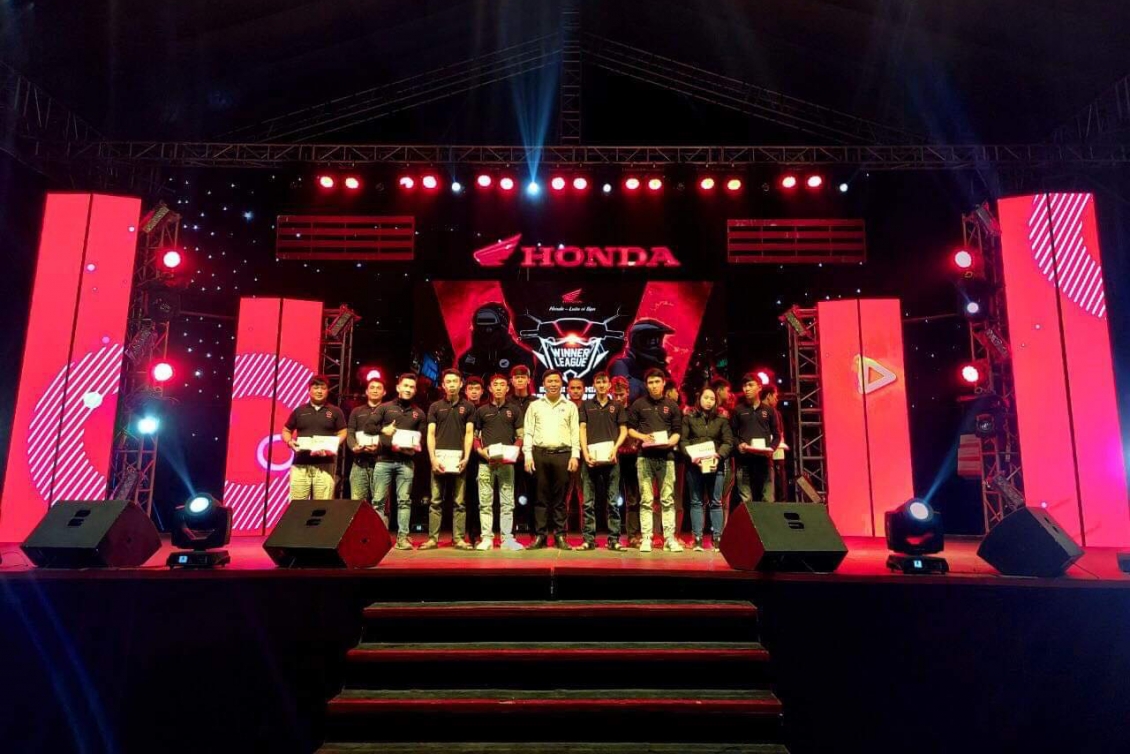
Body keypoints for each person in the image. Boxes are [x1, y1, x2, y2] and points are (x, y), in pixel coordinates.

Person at [367, 373, 427, 550]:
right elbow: (368, 427)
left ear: (415, 390)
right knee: (378, 501)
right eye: (405, 386)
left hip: (406, 462)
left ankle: (402, 538)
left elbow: (422, 439)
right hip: (383, 460)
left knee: (404, 501)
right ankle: (378, 539)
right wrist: (383, 430)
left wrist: (414, 447)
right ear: (398, 387)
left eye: (411, 387)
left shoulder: (419, 413)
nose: (408, 389)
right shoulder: (385, 408)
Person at [627, 368, 683, 552]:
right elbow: (630, 429)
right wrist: (643, 437)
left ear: (663, 383)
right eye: (650, 382)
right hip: (645, 457)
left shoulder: (672, 405)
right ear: (646, 385)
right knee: (646, 499)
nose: (654, 386)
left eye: (657, 382)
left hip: (667, 458)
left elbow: (677, 432)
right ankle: (646, 538)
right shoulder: (638, 404)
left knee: (667, 499)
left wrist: (670, 442)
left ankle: (669, 539)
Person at [523, 369, 580, 550]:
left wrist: (575, 455)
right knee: (540, 498)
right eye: (550, 381)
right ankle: (540, 536)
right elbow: (528, 432)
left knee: (560, 499)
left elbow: (575, 432)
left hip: (563, 454)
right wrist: (527, 455)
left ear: (561, 384)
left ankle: (560, 536)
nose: (553, 384)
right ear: (544, 384)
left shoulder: (570, 406)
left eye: (556, 381)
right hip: (539, 454)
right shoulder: (535, 406)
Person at [422, 368, 476, 550]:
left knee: (459, 502)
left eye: (455, 381)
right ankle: (432, 539)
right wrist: (432, 458)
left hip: (459, 460)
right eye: (448, 382)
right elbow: (430, 434)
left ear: (461, 384)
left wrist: (466, 457)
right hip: (439, 459)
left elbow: (469, 433)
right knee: (435, 501)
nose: (452, 385)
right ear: (443, 385)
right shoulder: (435, 407)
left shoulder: (469, 407)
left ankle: (458, 539)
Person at [473, 374, 525, 550]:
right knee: (485, 503)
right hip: (485, 463)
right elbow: (474, 437)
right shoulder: (481, 410)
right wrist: (481, 451)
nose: (499, 388)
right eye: (495, 385)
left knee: (507, 503)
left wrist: (514, 450)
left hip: (507, 464)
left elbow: (520, 436)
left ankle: (507, 538)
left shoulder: (514, 410)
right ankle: (486, 538)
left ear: (507, 388)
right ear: (490, 388)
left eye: (502, 385)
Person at [579, 371, 628, 550]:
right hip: (590, 459)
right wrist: (585, 453)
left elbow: (624, 430)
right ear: (594, 385)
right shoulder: (586, 405)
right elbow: (582, 429)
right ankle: (588, 540)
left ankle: (614, 540)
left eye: (604, 382)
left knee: (613, 501)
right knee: (588, 502)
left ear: (609, 385)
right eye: (598, 382)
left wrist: (615, 448)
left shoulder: (617, 405)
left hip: (611, 458)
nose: (601, 385)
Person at [680, 387, 733, 550]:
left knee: (716, 502)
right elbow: (683, 441)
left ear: (716, 401)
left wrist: (719, 455)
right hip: (695, 466)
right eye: (705, 398)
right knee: (696, 502)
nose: (708, 401)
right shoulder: (689, 417)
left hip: (715, 465)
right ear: (699, 398)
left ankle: (717, 539)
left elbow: (728, 442)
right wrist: (693, 456)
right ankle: (697, 539)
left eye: (712, 398)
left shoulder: (722, 419)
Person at [282, 376, 347, 501]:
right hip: (300, 463)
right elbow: (286, 430)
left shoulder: (335, 411)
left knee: (322, 505)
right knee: (297, 505)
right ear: (309, 390)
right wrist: (289, 442)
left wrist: (332, 445)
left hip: (325, 464)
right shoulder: (299, 411)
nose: (319, 391)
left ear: (327, 391)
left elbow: (343, 432)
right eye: (316, 388)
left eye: (323, 388)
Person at [731, 373, 781, 509]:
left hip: (765, 461)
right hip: (744, 461)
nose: (746, 389)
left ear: (759, 387)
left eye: (750, 385)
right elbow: (732, 434)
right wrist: (738, 445)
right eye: (744, 386)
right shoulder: (737, 410)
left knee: (768, 499)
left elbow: (777, 435)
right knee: (746, 500)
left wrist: (772, 448)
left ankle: (767, 523)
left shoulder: (770, 411)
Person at [457, 302, 534, 381]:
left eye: (490, 322)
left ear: (502, 326)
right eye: (482, 322)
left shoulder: (522, 357)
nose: (485, 331)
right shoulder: (466, 359)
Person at [346, 377, 386, 521]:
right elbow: (350, 432)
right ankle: (359, 533)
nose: (375, 390)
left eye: (378, 388)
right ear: (366, 391)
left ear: (384, 392)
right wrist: (354, 446)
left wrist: (380, 446)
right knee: (357, 504)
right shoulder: (357, 411)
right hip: (359, 462)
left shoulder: (389, 411)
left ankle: (380, 534)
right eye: (372, 387)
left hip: (382, 463)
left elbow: (392, 435)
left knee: (380, 504)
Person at [609, 318, 675, 401]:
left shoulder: (661, 371)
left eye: (657, 340)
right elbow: (629, 395)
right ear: (638, 341)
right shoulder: (622, 364)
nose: (656, 346)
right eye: (650, 340)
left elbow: (674, 399)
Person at [612, 376, 642, 547]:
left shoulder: (634, 410)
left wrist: (637, 448)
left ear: (628, 392)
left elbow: (640, 431)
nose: (618, 398)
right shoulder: (608, 409)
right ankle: (613, 536)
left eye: (621, 394)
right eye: (615, 395)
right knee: (612, 498)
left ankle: (632, 535)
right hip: (613, 457)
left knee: (633, 498)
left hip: (631, 458)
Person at [509, 364, 538, 533]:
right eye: (517, 377)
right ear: (512, 381)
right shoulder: (506, 402)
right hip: (510, 455)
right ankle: (509, 533)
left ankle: (535, 533)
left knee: (534, 494)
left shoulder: (537, 402)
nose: (520, 380)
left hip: (531, 455)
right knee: (508, 495)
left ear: (528, 380)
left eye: (523, 377)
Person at [564, 376, 586, 530]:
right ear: (567, 390)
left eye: (579, 388)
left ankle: (587, 533)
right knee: (564, 495)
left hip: (585, 455)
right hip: (566, 454)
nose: (576, 391)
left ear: (584, 390)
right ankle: (562, 532)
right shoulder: (563, 407)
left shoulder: (589, 407)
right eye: (573, 388)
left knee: (584, 495)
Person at [760, 384, 789, 501]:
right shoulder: (759, 411)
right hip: (764, 454)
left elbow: (780, 434)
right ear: (769, 396)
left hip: (777, 453)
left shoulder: (776, 413)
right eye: (775, 396)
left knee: (779, 484)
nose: (777, 400)